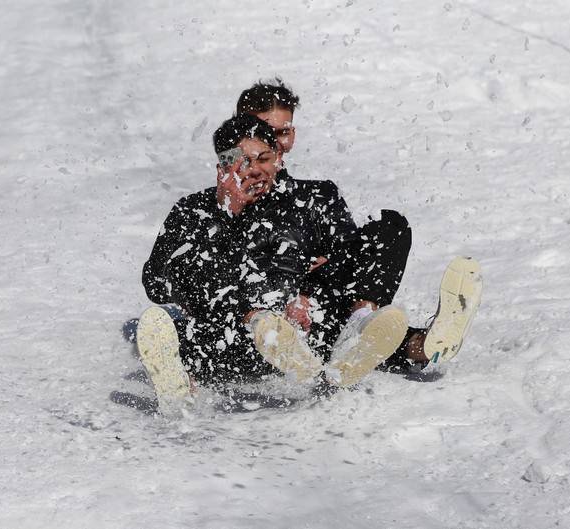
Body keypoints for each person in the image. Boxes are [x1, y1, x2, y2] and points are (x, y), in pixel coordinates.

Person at [137, 82, 482, 412]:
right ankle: (181, 375)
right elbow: (157, 281)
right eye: (245, 161)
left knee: (388, 229)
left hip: (305, 329)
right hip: (236, 331)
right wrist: (229, 212)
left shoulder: (309, 199)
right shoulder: (193, 210)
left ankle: (401, 338)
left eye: (265, 157)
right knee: (196, 267)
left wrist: (304, 290)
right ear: (225, 164)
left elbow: (346, 255)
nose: (256, 170)